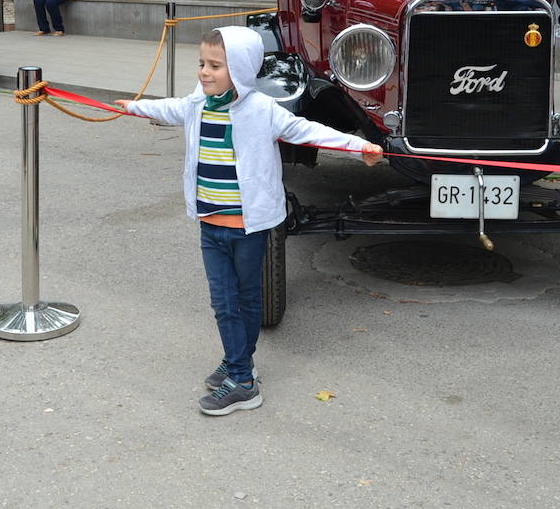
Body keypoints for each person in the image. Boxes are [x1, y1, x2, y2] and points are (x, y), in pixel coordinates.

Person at [114, 27, 382, 415]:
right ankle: (238, 365)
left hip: (249, 226)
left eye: (215, 66)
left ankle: (242, 378)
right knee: (223, 302)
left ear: (239, 69)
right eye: (202, 64)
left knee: (248, 299)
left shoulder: (263, 111)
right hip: (210, 224)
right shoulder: (197, 104)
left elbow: (311, 132)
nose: (204, 73)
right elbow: (167, 108)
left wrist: (361, 147)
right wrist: (132, 106)